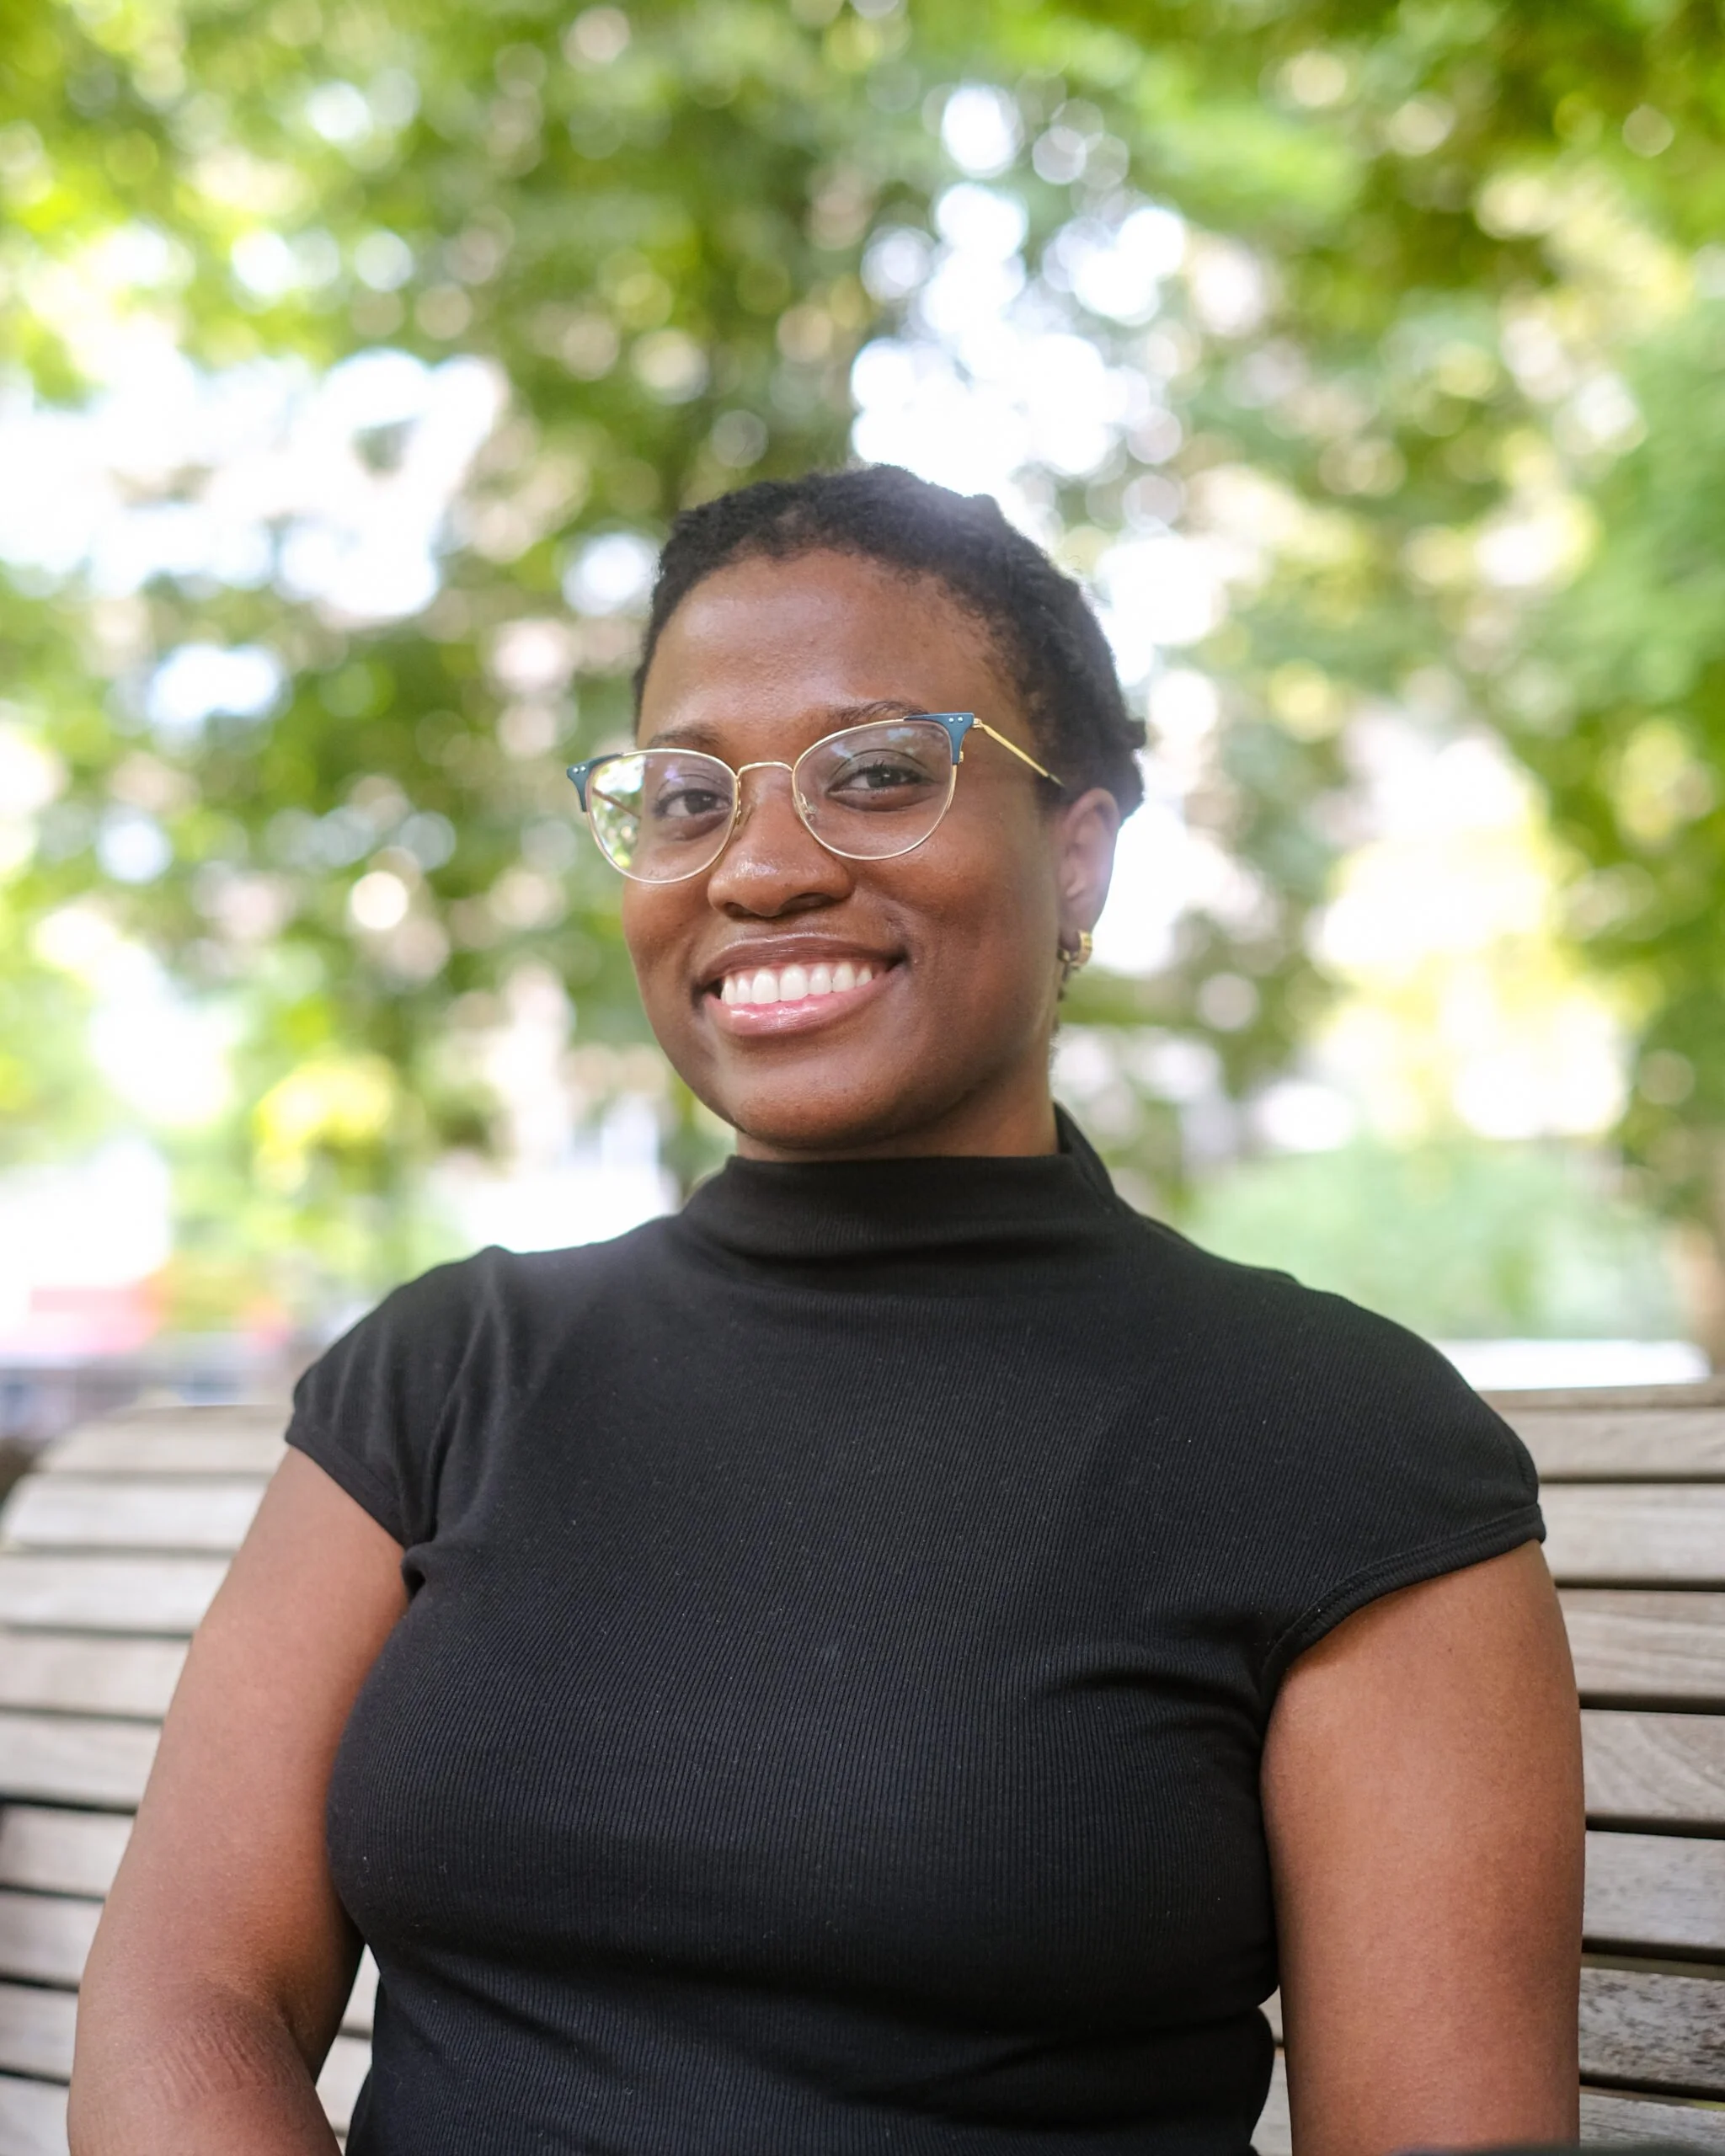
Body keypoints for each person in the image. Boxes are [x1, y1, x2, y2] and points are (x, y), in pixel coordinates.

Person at [71, 466, 1583, 2156]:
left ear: (1074, 858)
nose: (762, 865)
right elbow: (186, 1989)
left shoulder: (1339, 1444)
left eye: (877, 773)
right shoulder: (451, 1376)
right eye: (685, 795)